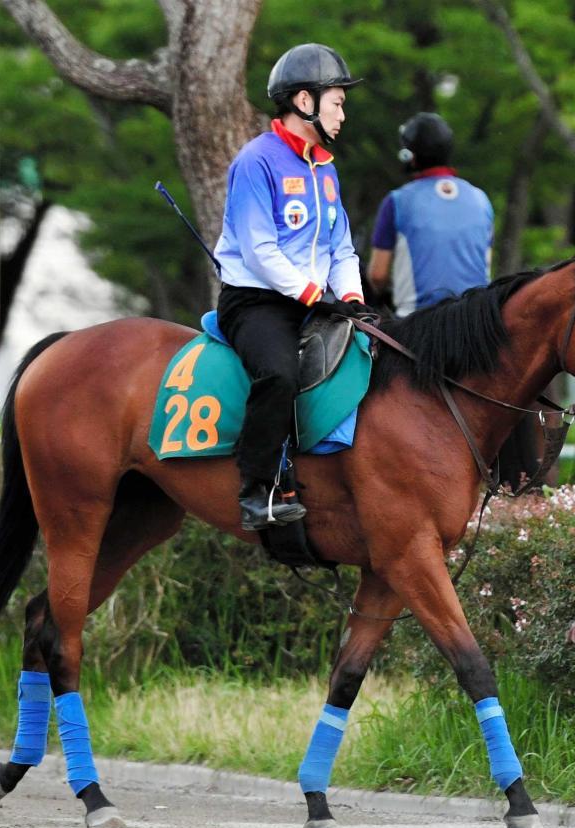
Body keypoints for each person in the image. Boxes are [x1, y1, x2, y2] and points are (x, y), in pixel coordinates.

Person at [213, 43, 366, 532]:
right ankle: (257, 489)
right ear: (305, 102)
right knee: (278, 373)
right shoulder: (255, 161)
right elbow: (259, 250)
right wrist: (312, 295)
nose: (343, 114)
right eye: (337, 102)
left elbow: (342, 249)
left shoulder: (326, 168)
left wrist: (353, 299)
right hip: (256, 302)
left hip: (314, 298)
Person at [367, 112, 494, 316]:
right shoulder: (481, 199)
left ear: (409, 155)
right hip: (475, 325)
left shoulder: (397, 201)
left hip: (418, 324)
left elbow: (378, 275)